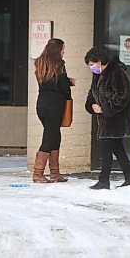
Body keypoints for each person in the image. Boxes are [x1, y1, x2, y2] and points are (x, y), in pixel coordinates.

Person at [84, 48, 130, 190]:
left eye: (92, 64)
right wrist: (92, 104)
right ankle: (129, 177)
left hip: (115, 118)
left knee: (106, 148)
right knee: (117, 149)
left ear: (100, 61)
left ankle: (104, 180)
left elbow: (123, 96)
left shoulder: (117, 72)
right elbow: (92, 93)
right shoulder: (98, 74)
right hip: (104, 118)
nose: (91, 67)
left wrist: (106, 108)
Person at [33, 38, 75, 183]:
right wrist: (69, 87)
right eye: (63, 50)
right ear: (58, 51)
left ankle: (55, 173)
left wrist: (66, 81)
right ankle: (38, 173)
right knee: (49, 139)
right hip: (55, 106)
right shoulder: (59, 65)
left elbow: (49, 82)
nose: (64, 52)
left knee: (54, 136)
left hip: (42, 105)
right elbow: (63, 87)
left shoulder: (40, 64)